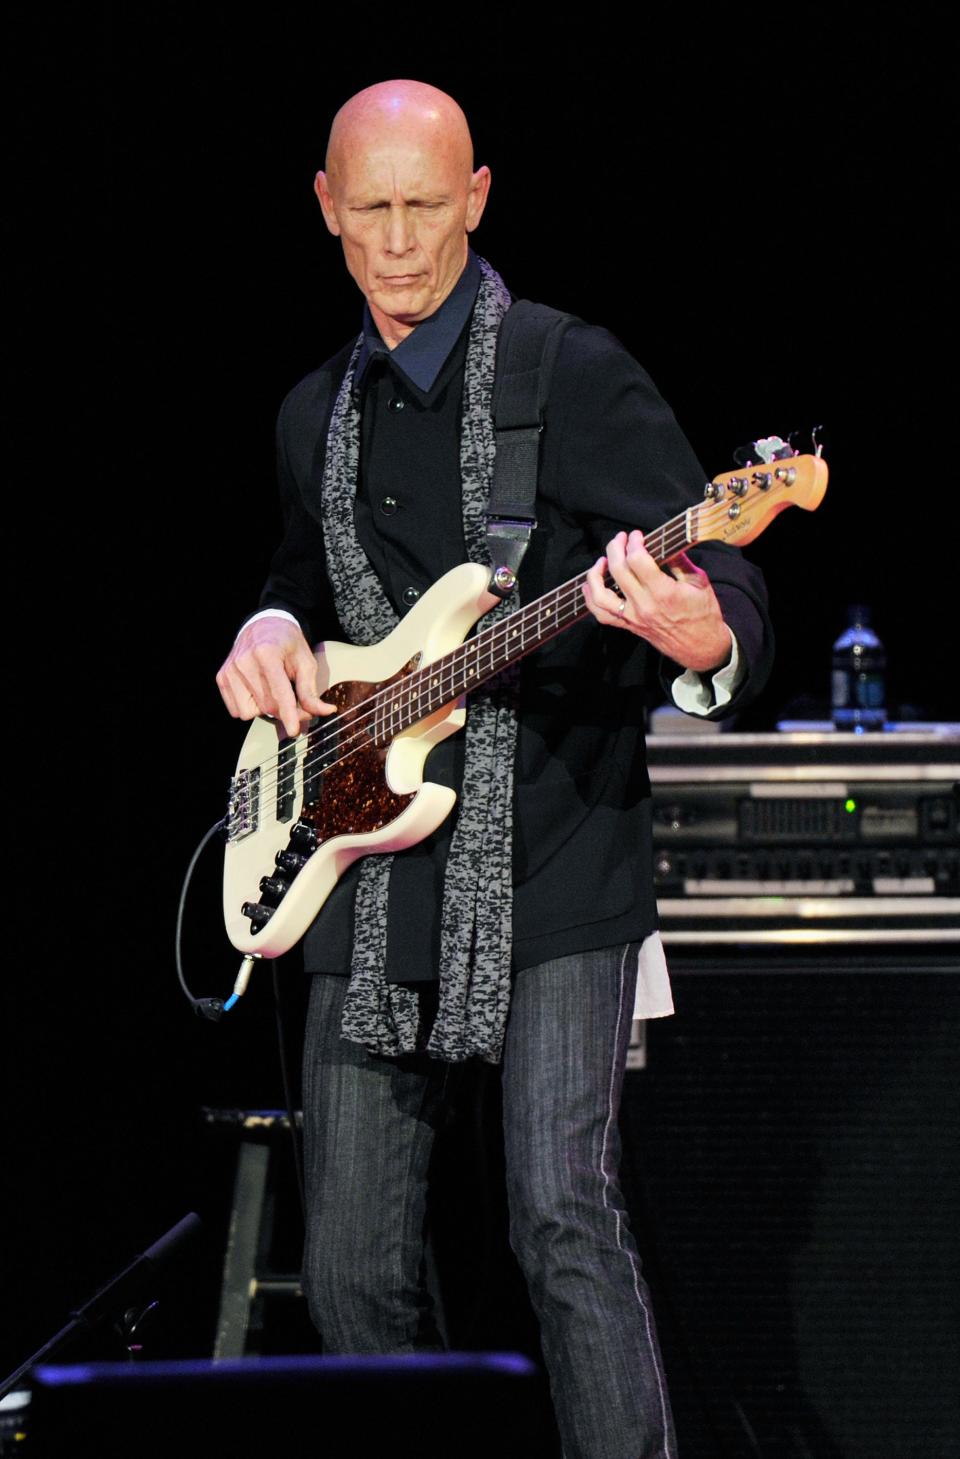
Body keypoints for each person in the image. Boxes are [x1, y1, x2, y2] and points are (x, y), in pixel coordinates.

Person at [216, 80, 772, 1459]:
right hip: (356, 845)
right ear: (328, 210)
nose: (401, 242)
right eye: (373, 210)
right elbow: (307, 579)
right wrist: (271, 620)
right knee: (347, 1264)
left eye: (427, 206)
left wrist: (706, 631)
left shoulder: (566, 371)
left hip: (555, 848)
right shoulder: (309, 415)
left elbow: (721, 559)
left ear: (475, 199)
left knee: (559, 1216)